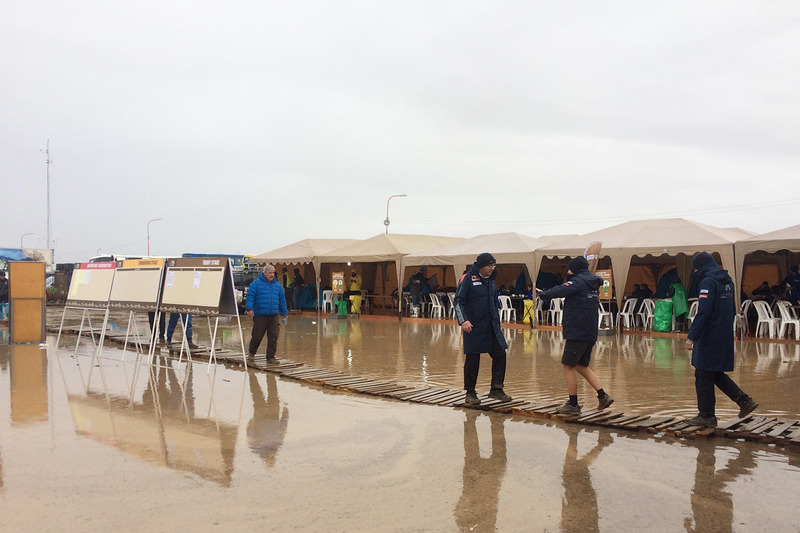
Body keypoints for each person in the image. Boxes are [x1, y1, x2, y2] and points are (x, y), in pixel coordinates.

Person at [684, 252, 758, 427]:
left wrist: (691, 337)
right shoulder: (727, 280)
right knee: (713, 372)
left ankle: (707, 416)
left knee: (702, 373)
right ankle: (744, 401)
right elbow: (730, 308)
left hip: (710, 335)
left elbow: (704, 312)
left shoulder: (708, 282)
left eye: (695, 268)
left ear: (699, 267)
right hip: (724, 333)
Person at [536, 256, 614, 415]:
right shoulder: (592, 283)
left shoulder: (577, 282)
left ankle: (573, 405)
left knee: (568, 366)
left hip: (578, 332)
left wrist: (543, 294)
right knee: (580, 365)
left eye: (569, 268)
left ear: (576, 269)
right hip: (590, 332)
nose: (567, 271)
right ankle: (603, 395)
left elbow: (560, 290)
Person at [453, 253, 512, 405]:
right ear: (482, 266)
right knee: (473, 358)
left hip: (491, 325)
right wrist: (463, 320)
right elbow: (458, 301)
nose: (493, 268)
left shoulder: (491, 280)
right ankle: (470, 393)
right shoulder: (468, 278)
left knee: (500, 353)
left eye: (494, 265)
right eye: (490, 266)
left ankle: (496, 389)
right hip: (473, 326)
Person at [246, 264, 289, 363]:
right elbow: (250, 297)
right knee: (257, 336)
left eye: (273, 273)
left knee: (273, 336)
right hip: (260, 315)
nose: (272, 275)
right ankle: (251, 353)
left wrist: (284, 313)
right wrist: (249, 309)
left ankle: (270, 357)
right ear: (264, 274)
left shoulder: (277, 285)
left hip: (273, 316)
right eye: (270, 273)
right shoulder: (255, 284)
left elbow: (282, 301)